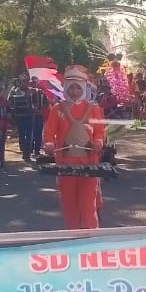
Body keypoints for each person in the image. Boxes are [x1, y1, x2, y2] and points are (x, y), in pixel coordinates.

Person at [42, 65, 106, 230]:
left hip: (89, 163)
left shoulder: (94, 109)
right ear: (66, 88)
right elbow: (49, 132)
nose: (74, 91)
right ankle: (73, 238)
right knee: (69, 206)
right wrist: (49, 144)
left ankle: (91, 239)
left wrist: (98, 143)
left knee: (87, 205)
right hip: (65, 164)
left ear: (84, 88)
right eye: (71, 87)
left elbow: (100, 132)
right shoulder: (57, 109)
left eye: (78, 88)